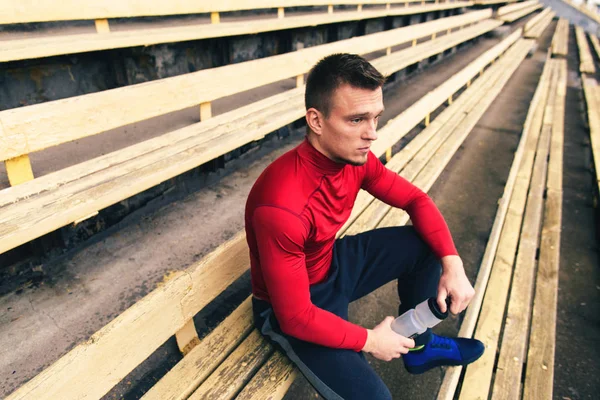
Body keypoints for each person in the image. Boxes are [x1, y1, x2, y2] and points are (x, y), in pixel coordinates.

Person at [244, 53, 484, 400]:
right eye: (357, 120)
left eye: (375, 118)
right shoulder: (281, 206)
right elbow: (296, 317)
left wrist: (453, 263)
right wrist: (371, 339)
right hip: (292, 307)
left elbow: (416, 201)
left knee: (428, 245)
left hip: (333, 264)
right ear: (316, 120)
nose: (371, 134)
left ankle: (419, 347)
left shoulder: (354, 157)